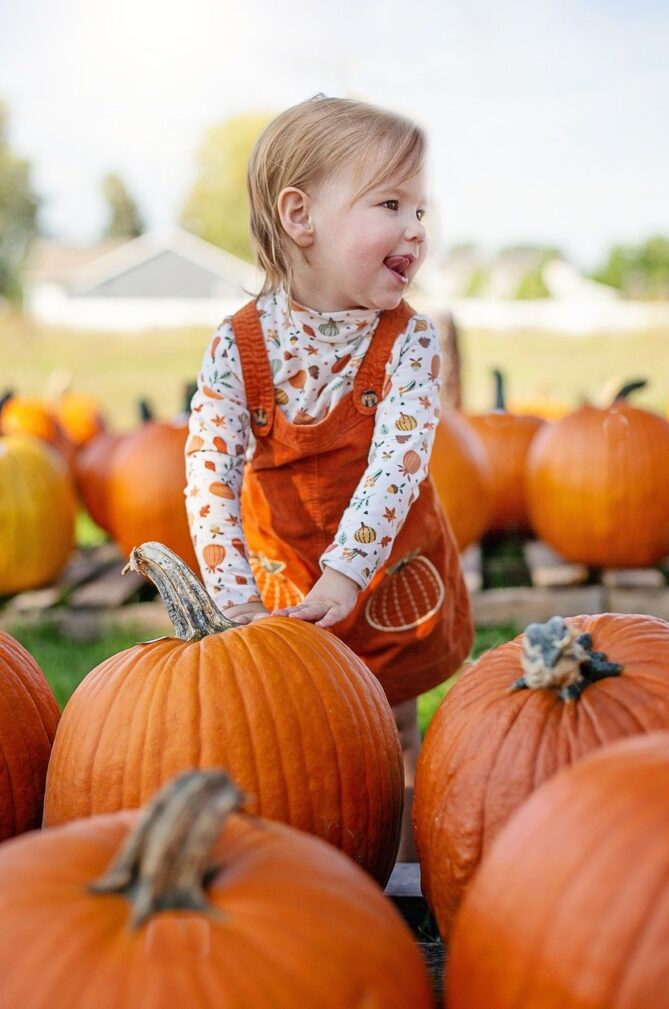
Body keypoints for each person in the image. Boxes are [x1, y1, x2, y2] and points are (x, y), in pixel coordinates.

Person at [184, 94, 473, 860]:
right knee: (296, 731)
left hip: (385, 572)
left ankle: (399, 868)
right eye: (390, 203)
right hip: (283, 576)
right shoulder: (238, 347)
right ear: (300, 216)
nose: (417, 227)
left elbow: (396, 465)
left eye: (421, 208)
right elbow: (207, 470)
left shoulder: (408, 341)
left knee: (396, 722)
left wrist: (348, 571)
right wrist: (231, 594)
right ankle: (309, 859)